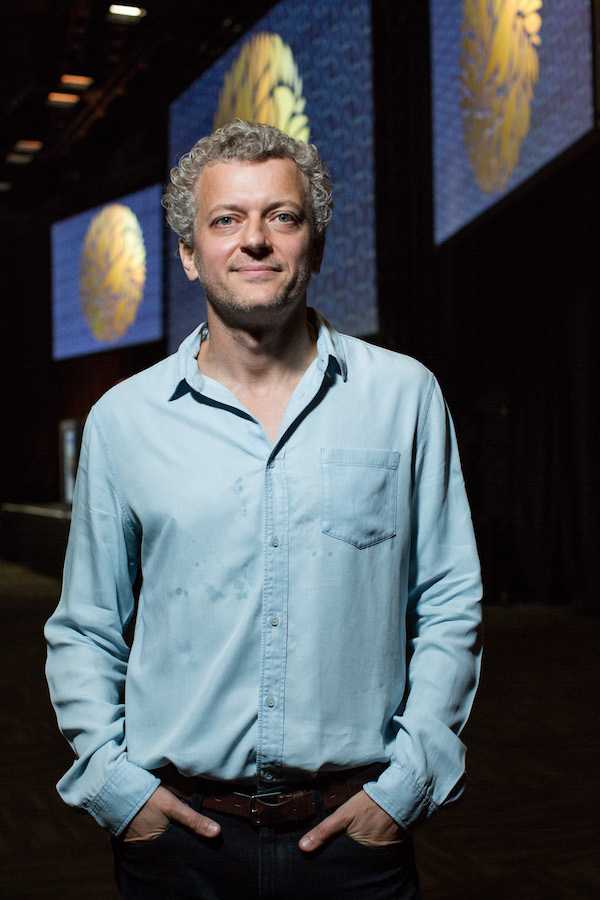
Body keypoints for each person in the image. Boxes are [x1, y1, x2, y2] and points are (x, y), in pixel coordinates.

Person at [45, 120, 482, 899]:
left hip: (357, 839)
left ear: (313, 243)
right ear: (188, 253)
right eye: (226, 220)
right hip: (175, 845)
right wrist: (119, 792)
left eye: (281, 216)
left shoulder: (404, 396)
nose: (255, 240)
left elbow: (448, 602)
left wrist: (407, 784)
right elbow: (85, 627)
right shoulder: (124, 418)